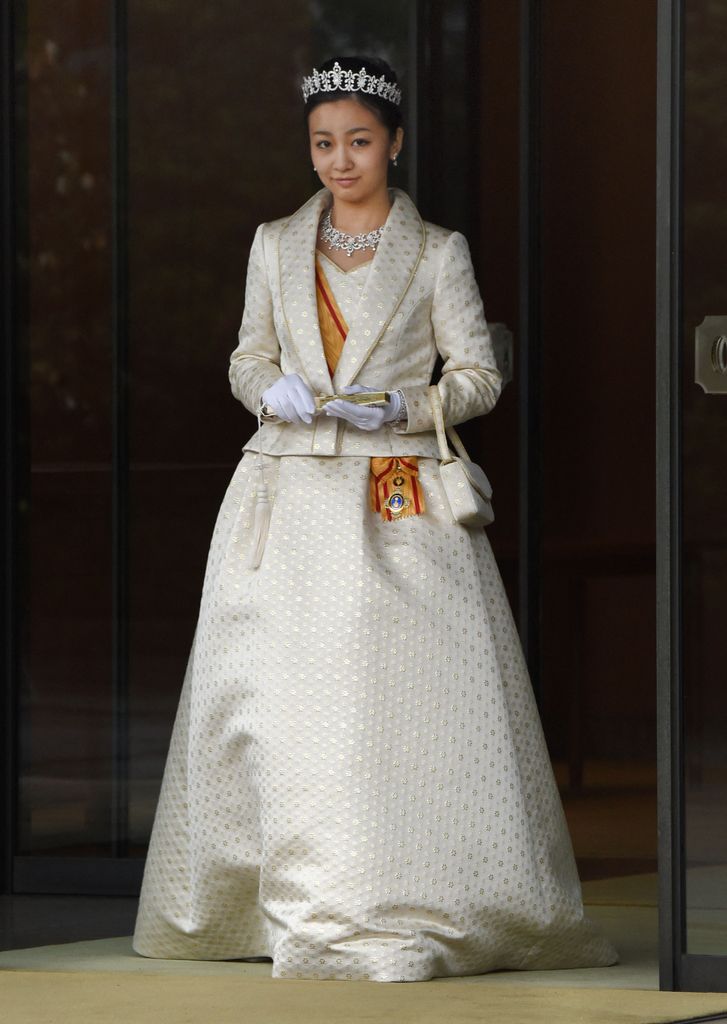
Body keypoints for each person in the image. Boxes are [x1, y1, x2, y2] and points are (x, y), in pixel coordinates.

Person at [132, 55, 618, 983]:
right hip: (283, 491)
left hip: (393, 497)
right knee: (270, 708)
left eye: (358, 142)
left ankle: (404, 897)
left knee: (395, 707)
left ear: (394, 142)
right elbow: (245, 355)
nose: (339, 161)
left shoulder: (438, 250)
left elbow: (476, 373)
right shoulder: (274, 242)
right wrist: (266, 389)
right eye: (323, 144)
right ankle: (263, 906)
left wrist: (402, 408)